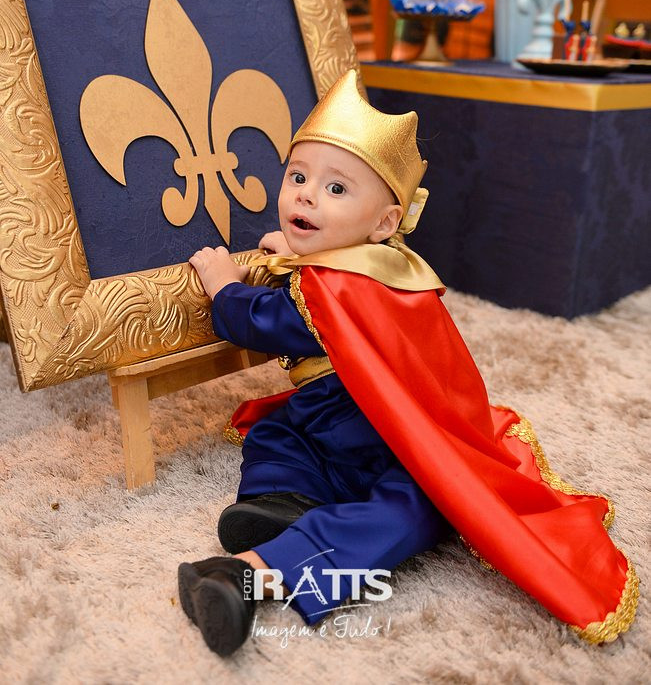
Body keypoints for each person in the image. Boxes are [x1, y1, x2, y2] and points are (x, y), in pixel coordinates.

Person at [179, 70, 637, 657]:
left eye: (336, 188)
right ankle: (284, 502)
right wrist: (298, 252)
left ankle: (252, 574)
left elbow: (258, 321)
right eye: (297, 176)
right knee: (278, 434)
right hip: (331, 424)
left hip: (395, 448)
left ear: (384, 223)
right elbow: (333, 278)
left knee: (422, 507)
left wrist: (224, 285)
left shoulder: (330, 291)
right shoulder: (382, 267)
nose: (306, 195)